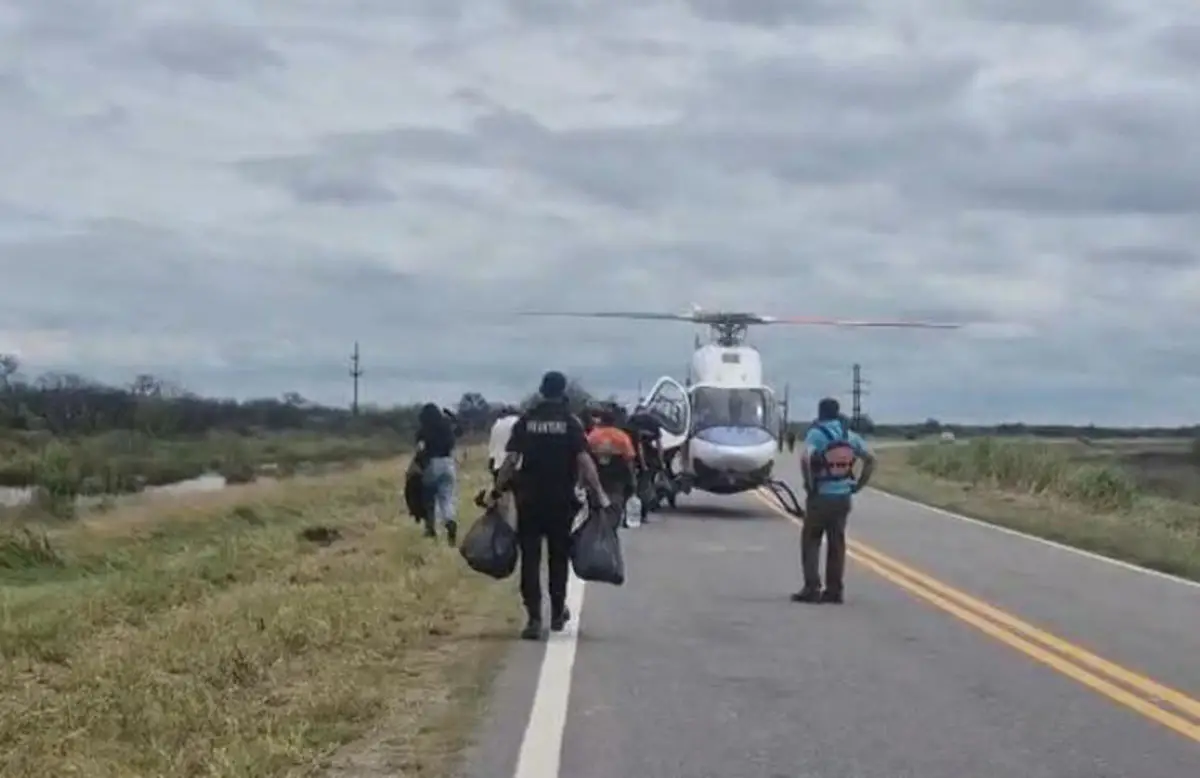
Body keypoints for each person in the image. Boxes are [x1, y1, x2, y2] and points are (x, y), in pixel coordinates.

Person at [492, 371, 611, 641]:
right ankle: (557, 612)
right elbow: (584, 462)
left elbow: (510, 460)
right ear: (562, 391)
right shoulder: (571, 423)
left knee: (530, 559)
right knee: (558, 559)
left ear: (542, 391)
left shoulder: (526, 421)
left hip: (529, 501)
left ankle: (533, 618)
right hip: (560, 502)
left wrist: (497, 488)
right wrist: (599, 493)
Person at [794, 397, 876, 604]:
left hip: (821, 495)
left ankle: (812, 587)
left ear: (820, 412)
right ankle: (834, 589)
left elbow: (806, 459)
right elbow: (871, 459)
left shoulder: (816, 434)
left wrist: (809, 485)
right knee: (837, 543)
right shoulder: (848, 435)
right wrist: (859, 484)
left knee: (811, 540)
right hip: (843, 496)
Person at [416, 402, 459, 545]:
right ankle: (450, 521)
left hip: (432, 464)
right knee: (446, 498)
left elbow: (420, 449)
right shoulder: (446, 427)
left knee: (429, 498)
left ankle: (430, 529)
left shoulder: (424, 430)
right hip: (448, 463)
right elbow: (459, 431)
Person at [587, 408, 637, 527]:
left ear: (602, 421)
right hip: (617, 478)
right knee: (615, 505)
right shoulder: (622, 437)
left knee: (595, 504)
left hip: (597, 476)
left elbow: (585, 457)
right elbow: (629, 460)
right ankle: (611, 528)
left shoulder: (593, 436)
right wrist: (632, 479)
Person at [487, 406, 521, 484]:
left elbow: (492, 449)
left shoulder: (497, 424)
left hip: (499, 465)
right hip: (516, 466)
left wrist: (491, 465)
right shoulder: (519, 422)